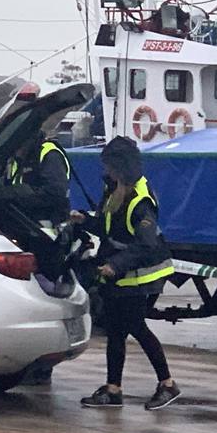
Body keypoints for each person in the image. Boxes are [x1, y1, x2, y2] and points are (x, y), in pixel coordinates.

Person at [71, 136, 181, 411]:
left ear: (121, 168)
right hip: (124, 273)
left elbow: (145, 245)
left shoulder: (140, 200)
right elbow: (111, 229)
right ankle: (113, 389)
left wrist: (115, 265)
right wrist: (86, 221)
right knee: (117, 330)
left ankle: (168, 385)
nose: (105, 171)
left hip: (142, 276)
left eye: (109, 166)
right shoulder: (115, 190)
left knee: (135, 326)